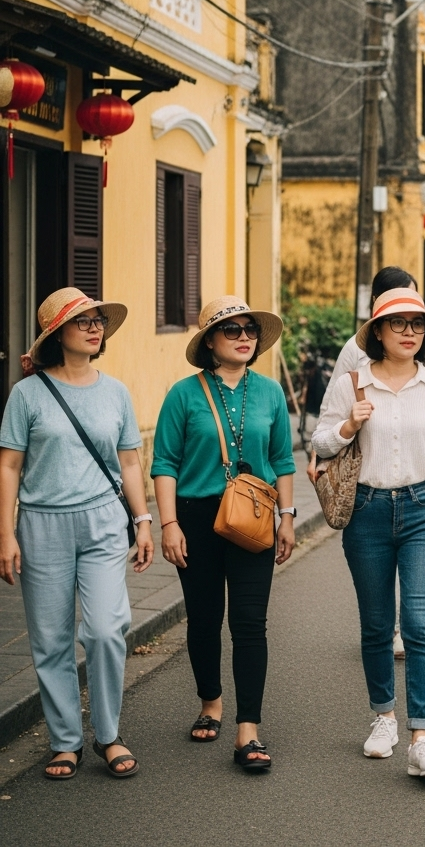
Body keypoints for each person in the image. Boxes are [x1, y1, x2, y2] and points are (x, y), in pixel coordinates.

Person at [311, 288, 425, 778]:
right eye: (398, 323)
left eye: (417, 324)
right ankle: (384, 718)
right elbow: (319, 443)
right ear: (378, 332)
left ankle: (422, 737)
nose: (409, 332)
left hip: (424, 511)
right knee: (378, 624)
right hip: (367, 511)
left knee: (419, 624)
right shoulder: (352, 384)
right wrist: (347, 427)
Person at [0, 288, 154, 780]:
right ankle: (65, 741)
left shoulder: (116, 392)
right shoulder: (27, 394)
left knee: (106, 630)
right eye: (82, 320)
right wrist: (6, 533)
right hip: (41, 524)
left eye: (97, 320)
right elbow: (9, 465)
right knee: (51, 640)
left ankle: (108, 734)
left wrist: (143, 521)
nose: (94, 327)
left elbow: (130, 463)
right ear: (56, 334)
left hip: (103, 522)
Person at [152, 296, 295, 771]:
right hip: (195, 518)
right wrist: (168, 524)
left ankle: (248, 729)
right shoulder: (183, 394)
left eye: (249, 329)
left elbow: (282, 460)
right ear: (210, 342)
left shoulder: (270, 392)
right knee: (204, 618)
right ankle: (210, 702)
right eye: (231, 330)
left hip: (253, 513)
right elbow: (164, 463)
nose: (244, 337)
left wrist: (288, 517)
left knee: (250, 622)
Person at [309, 266, 425, 660]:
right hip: (369, 483)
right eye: (397, 315)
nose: (408, 326)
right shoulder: (356, 350)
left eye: (415, 315)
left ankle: (403, 626)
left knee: (416, 588)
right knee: (378, 583)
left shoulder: (422, 352)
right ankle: (389, 627)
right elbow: (334, 407)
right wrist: (324, 449)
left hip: (418, 488)